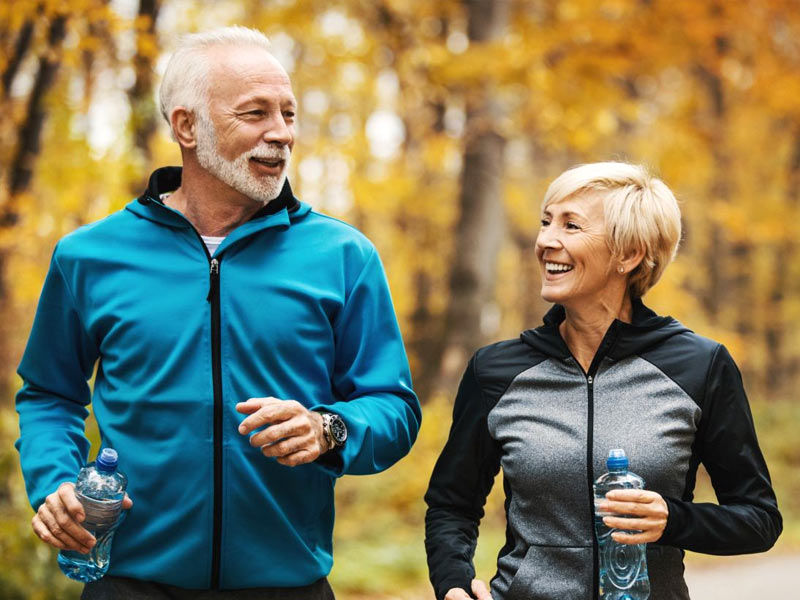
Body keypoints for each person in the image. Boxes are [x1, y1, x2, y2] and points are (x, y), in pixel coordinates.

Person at [16, 26, 421, 598]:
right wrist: (55, 482)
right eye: (255, 113)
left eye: (288, 113)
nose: (280, 134)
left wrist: (327, 427)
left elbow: (395, 406)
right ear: (186, 127)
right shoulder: (90, 256)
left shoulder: (343, 255)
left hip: (289, 585)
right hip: (128, 583)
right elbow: (49, 393)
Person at [424, 162, 782, 600]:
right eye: (546, 221)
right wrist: (454, 585)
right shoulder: (497, 370)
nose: (545, 241)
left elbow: (759, 519)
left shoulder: (700, 366)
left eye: (571, 225)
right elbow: (451, 506)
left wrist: (674, 520)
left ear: (628, 255)